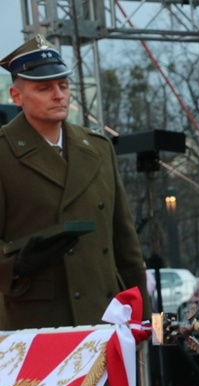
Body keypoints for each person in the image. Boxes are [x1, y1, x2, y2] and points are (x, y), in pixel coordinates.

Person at [0, 35, 151, 329]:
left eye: (64, 86)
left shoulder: (98, 148)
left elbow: (125, 245)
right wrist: (15, 264)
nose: (58, 95)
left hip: (106, 315)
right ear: (16, 97)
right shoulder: (3, 154)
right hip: (38, 322)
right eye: (44, 88)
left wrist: (141, 322)